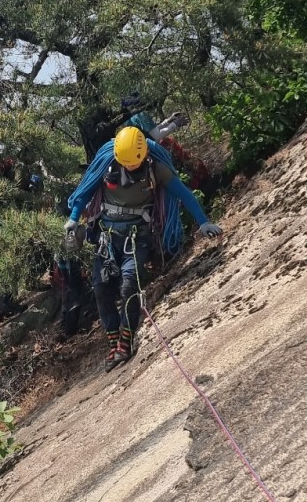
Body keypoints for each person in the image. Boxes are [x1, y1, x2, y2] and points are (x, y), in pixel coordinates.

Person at [64, 125, 221, 370]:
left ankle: (125, 342)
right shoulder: (107, 165)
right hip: (107, 236)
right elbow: (85, 191)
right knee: (101, 288)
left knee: (129, 285)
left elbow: (183, 193)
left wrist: (203, 222)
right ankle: (113, 341)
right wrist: (73, 219)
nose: (131, 167)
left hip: (137, 237)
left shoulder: (155, 169)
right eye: (126, 164)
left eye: (134, 164)